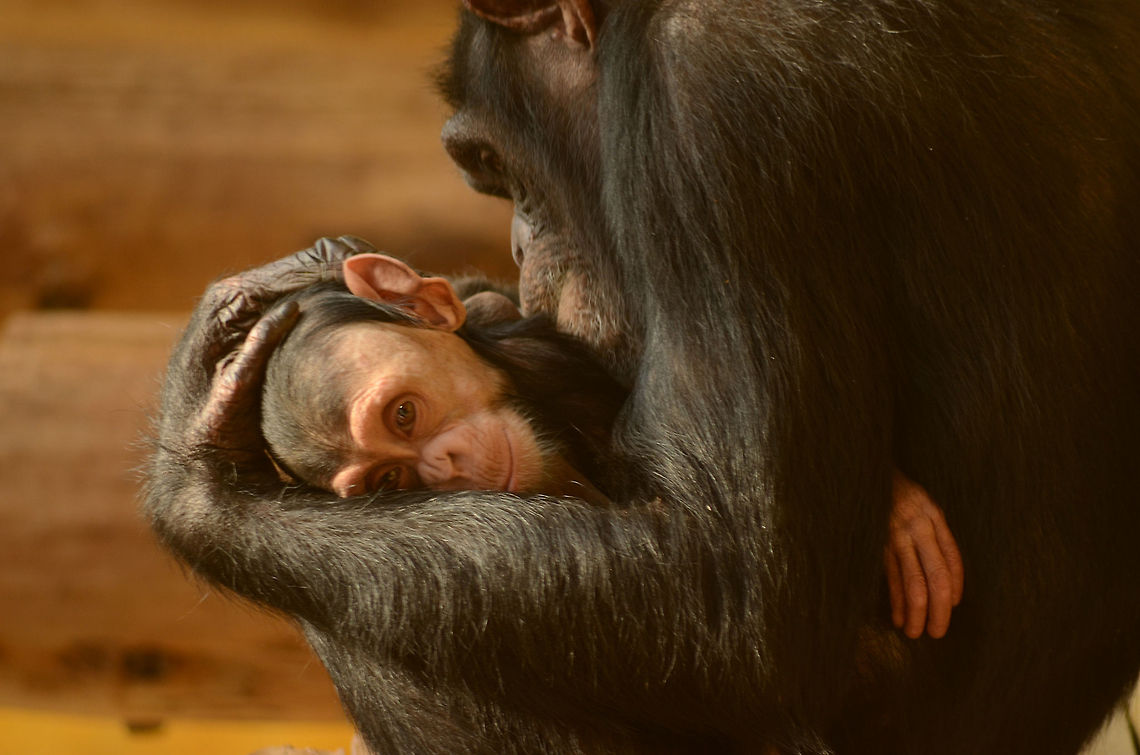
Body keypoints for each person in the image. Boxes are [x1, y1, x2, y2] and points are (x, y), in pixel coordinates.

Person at [260, 251, 964, 638]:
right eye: (387, 482)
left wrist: (871, 476)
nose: (437, 469)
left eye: (405, 414)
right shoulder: (439, 561)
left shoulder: (565, 327)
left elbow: (746, 375)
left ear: (425, 306)